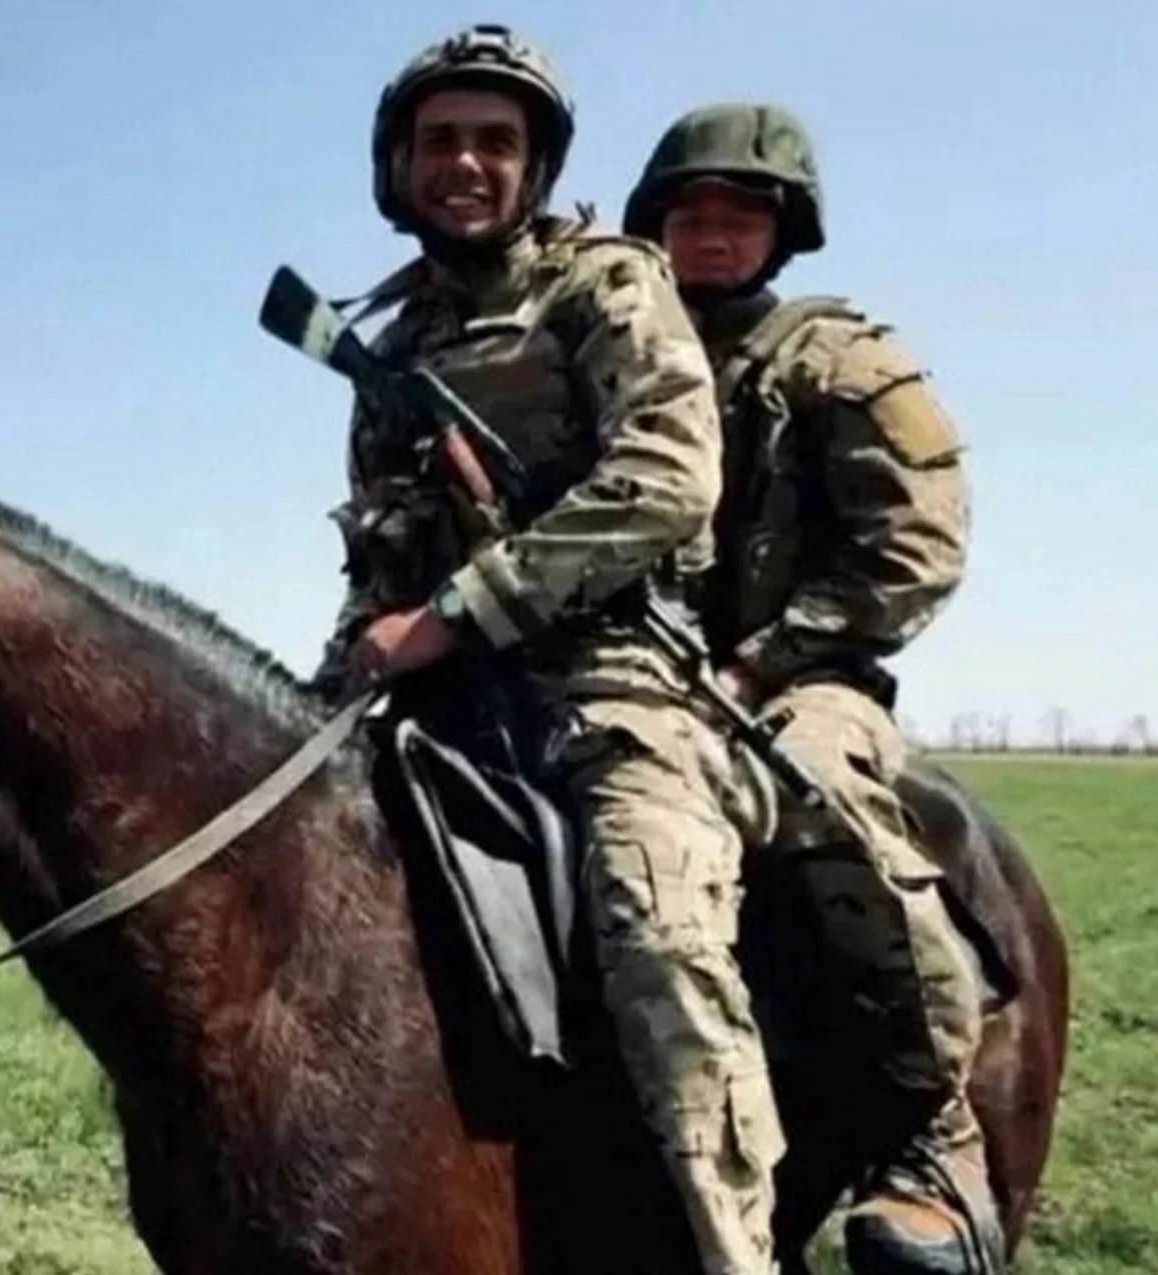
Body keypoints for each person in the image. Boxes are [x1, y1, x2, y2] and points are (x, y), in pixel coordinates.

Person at [310, 25, 784, 1275]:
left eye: (494, 141)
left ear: (534, 165)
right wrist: (331, 677)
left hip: (612, 680)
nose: (464, 163)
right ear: (398, 164)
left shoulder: (608, 284)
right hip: (431, 689)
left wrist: (461, 610)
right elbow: (384, 558)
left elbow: (667, 481)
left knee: (660, 935)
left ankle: (727, 1245)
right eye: (440, 140)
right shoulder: (392, 341)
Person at [621, 102, 998, 1275]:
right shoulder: (613, 357)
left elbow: (915, 543)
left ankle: (931, 1134)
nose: (714, 234)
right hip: (630, 676)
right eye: (693, 212)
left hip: (803, 681)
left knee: (816, 791)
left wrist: (767, 657)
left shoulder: (842, 360)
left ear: (784, 233)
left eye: (741, 214)